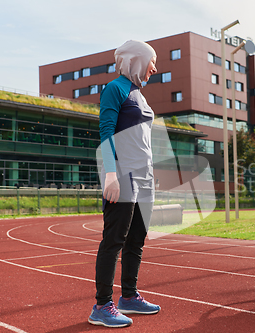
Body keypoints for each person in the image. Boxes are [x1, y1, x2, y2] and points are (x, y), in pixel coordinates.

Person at [88, 40, 161, 328]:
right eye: (151, 61)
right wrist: (110, 174)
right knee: (114, 240)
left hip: (144, 177)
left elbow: (142, 140)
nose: (155, 68)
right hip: (123, 174)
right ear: (137, 60)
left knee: (137, 240)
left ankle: (128, 297)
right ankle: (102, 305)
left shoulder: (139, 94)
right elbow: (106, 131)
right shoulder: (115, 88)